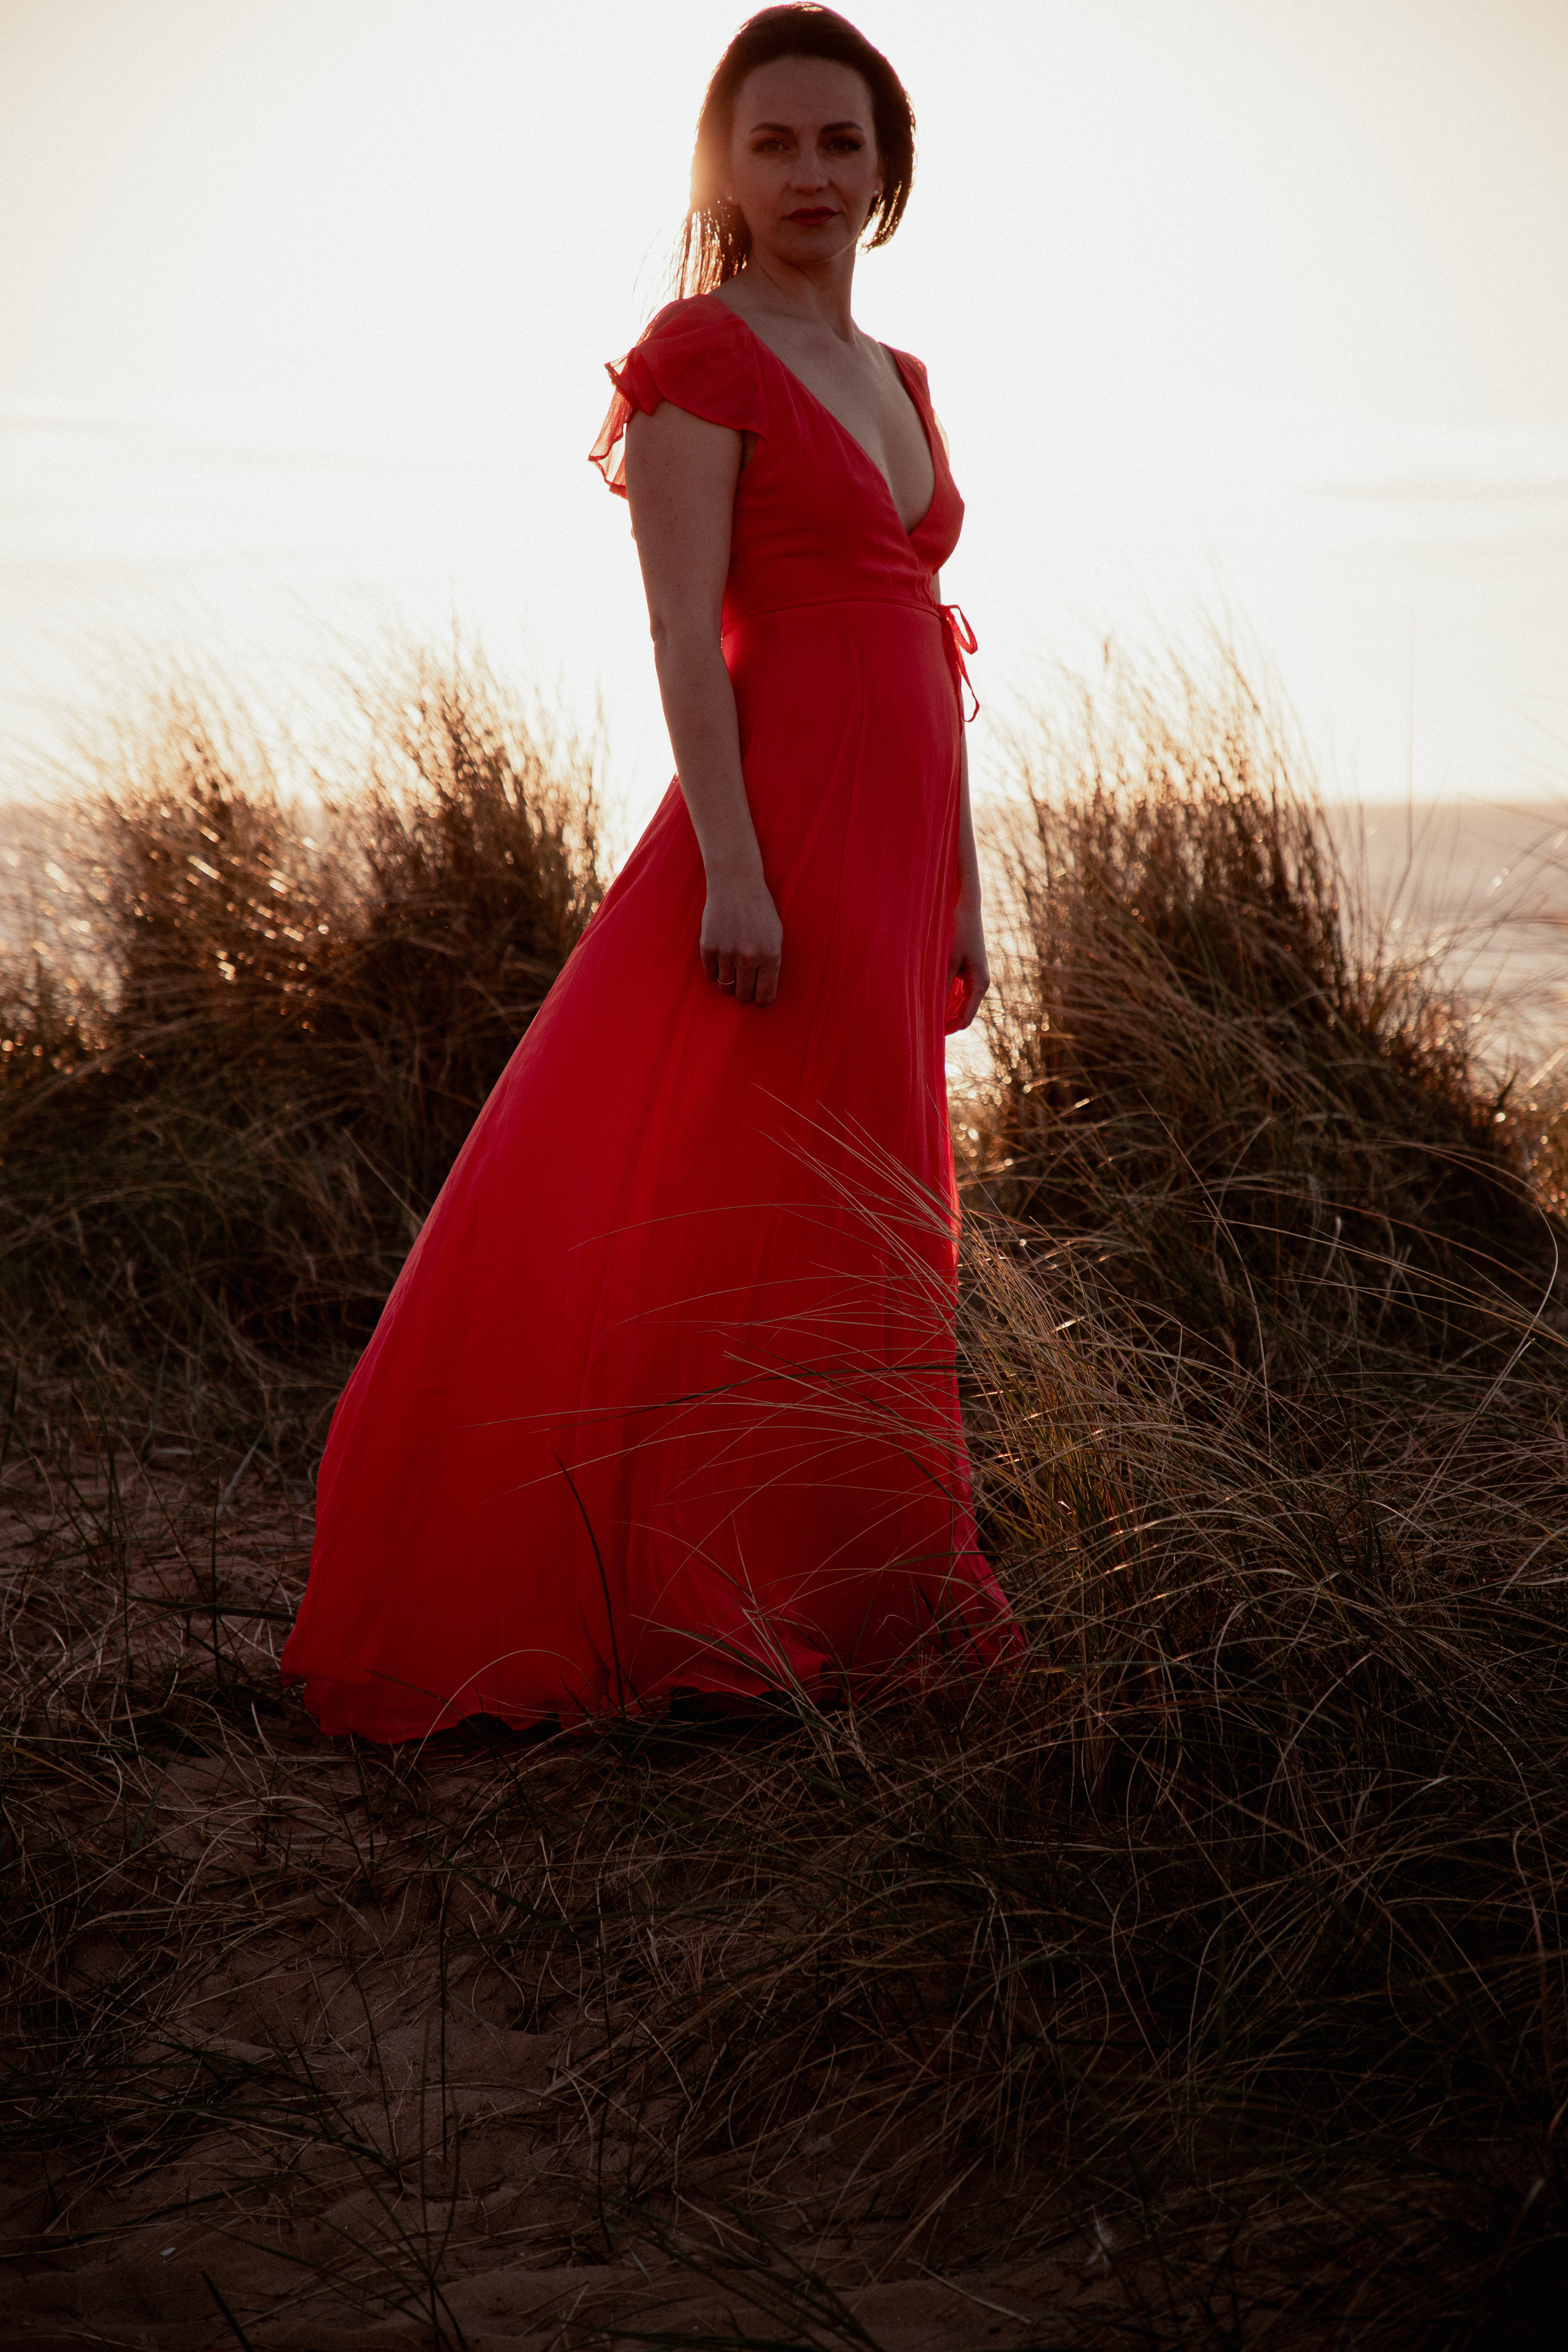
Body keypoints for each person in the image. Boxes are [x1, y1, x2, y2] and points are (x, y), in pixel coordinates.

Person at [279, 4, 1017, 1740]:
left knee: (867, 1225)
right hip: (779, 843)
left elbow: (935, 647)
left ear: (889, 172)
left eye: (842, 143)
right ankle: (697, 1603)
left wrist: (972, 885)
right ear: (725, 170)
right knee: (725, 1216)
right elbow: (690, 637)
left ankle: (850, 1581)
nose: (810, 175)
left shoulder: (902, 379)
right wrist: (738, 877)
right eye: (774, 144)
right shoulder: (701, 355)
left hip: (904, 845)